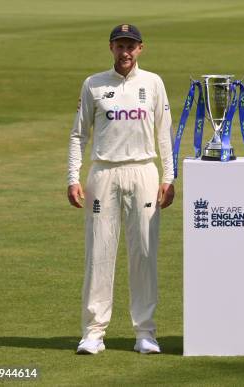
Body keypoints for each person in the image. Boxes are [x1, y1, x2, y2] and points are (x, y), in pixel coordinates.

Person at [67, 24, 175, 355]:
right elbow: (78, 134)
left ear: (140, 48)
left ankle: (145, 332)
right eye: (119, 46)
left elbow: (164, 133)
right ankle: (94, 332)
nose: (125, 52)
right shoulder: (94, 84)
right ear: (111, 48)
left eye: (131, 46)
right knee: (99, 253)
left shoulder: (153, 83)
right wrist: (73, 176)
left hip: (143, 171)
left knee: (143, 252)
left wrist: (169, 177)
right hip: (104, 173)